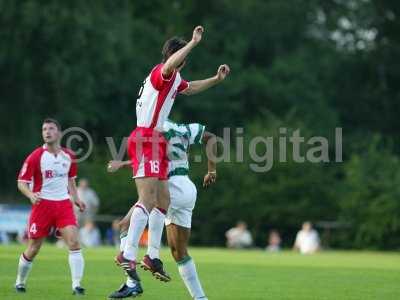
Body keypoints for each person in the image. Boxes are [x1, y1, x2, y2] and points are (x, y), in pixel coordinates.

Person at [115, 23, 230, 296]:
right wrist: (193, 42)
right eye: (183, 58)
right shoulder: (161, 72)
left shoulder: (173, 81)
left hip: (152, 140)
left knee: (162, 202)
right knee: (148, 202)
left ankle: (151, 256)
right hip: (145, 137)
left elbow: (189, 88)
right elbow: (169, 68)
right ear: (178, 57)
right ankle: (128, 255)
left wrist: (215, 80)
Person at [107, 119, 217, 300]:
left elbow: (151, 160)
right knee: (179, 252)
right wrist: (211, 170)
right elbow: (211, 138)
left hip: (168, 187)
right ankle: (200, 298)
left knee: (126, 224)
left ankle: (134, 282)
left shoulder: (151, 129)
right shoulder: (184, 128)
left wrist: (123, 164)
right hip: (188, 189)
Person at [16, 118, 86, 295]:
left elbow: (70, 179)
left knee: (74, 242)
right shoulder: (35, 156)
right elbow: (21, 182)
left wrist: (76, 198)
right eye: (44, 129)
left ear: (59, 133)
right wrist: (31, 194)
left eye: (51, 128)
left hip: (63, 204)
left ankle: (76, 285)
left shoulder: (69, 156)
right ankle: (20, 281)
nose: (47, 132)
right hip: (42, 206)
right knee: (34, 248)